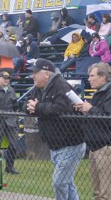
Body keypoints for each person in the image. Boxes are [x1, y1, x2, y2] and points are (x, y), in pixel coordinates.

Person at [25, 58, 85, 200]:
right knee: (67, 182)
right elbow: (25, 104)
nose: (33, 75)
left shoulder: (61, 85)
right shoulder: (37, 89)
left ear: (47, 74)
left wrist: (38, 107)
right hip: (55, 144)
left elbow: (61, 108)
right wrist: (32, 107)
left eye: (35, 72)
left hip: (71, 143)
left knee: (59, 183)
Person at [75, 63, 111, 200]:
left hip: (108, 147)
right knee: (98, 193)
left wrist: (90, 109)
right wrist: (85, 110)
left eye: (92, 76)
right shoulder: (100, 93)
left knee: (106, 193)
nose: (89, 79)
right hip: (96, 146)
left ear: (102, 76)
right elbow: (97, 117)